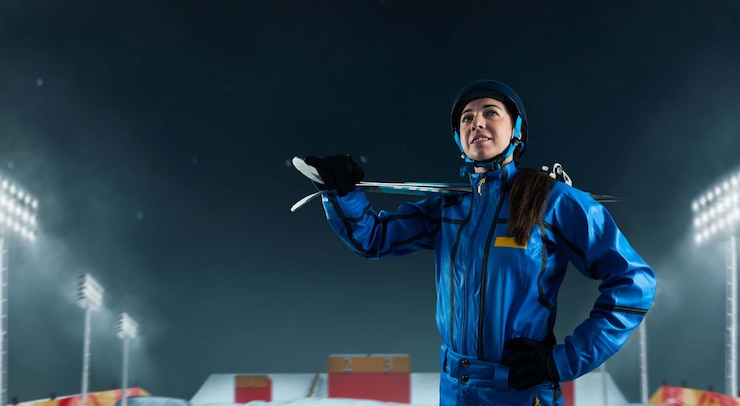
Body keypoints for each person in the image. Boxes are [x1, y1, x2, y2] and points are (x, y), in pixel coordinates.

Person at [303, 79, 656, 406]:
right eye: (467, 118)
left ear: (517, 130)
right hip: (455, 389)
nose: (477, 123)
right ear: (459, 138)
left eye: (491, 112)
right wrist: (340, 192)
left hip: (520, 389)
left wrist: (563, 360)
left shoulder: (552, 202)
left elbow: (634, 282)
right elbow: (373, 239)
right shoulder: (447, 209)